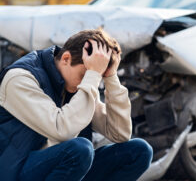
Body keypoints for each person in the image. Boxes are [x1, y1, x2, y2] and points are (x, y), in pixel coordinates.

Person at [0, 29, 153, 181]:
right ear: (66, 58)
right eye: (84, 75)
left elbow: (120, 134)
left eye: (95, 76)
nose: (88, 81)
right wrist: (91, 76)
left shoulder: (77, 84)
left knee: (139, 151)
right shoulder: (20, 78)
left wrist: (111, 78)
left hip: (61, 169)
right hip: (15, 170)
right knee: (79, 150)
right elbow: (62, 130)